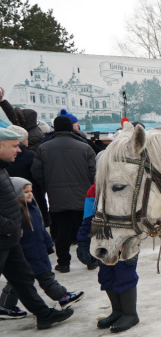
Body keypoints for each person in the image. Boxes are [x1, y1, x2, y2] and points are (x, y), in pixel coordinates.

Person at [0, 127, 74, 327]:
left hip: (10, 237)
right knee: (21, 280)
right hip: (5, 235)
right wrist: (8, 225)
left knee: (23, 279)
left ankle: (44, 314)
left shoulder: (3, 168)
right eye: (14, 146)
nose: (19, 150)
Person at [0, 177, 84, 310]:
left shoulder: (32, 207)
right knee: (45, 277)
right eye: (25, 191)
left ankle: (5, 305)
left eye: (30, 191)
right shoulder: (18, 213)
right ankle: (62, 297)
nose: (29, 194)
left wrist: (48, 243)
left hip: (38, 250)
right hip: (28, 253)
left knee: (18, 282)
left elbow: (40, 228)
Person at [31, 115, 96, 273]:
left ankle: (64, 263)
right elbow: (94, 172)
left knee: (61, 232)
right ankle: (90, 259)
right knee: (86, 228)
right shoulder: (85, 147)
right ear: (70, 128)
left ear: (55, 128)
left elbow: (36, 172)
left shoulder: (43, 148)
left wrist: (48, 185)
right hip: (83, 196)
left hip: (57, 197)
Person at [76, 184, 141, 332]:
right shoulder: (94, 190)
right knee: (106, 275)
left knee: (124, 274)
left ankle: (130, 313)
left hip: (124, 238)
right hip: (102, 239)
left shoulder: (126, 186)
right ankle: (117, 311)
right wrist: (82, 241)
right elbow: (87, 217)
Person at [0, 86, 45, 151]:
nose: (16, 119)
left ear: (24, 119)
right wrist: (2, 101)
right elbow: (11, 114)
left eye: (19, 118)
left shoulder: (33, 136)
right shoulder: (27, 127)